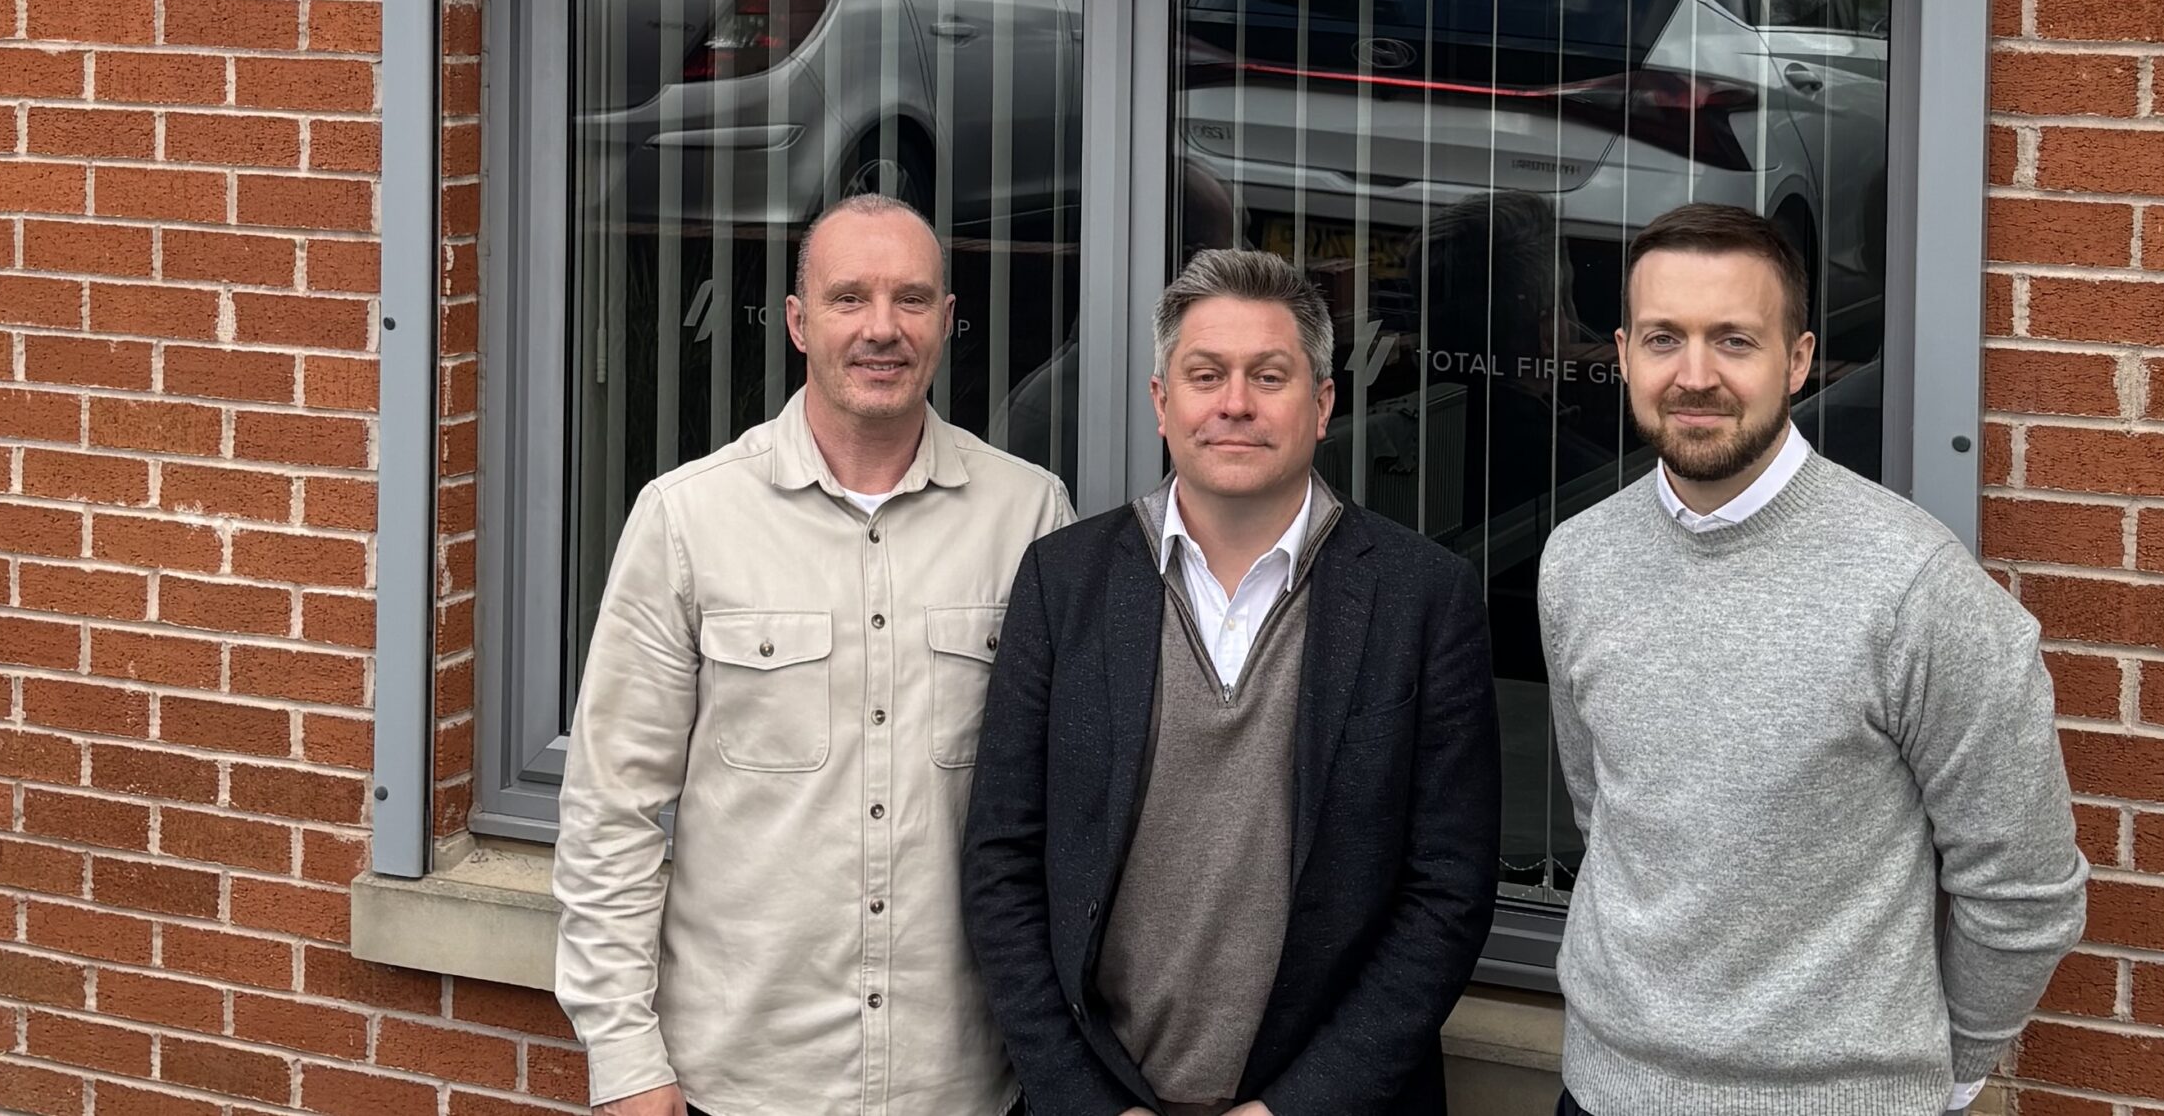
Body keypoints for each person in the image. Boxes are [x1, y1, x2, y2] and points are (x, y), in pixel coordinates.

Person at [1537, 204, 2087, 1116]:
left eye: (1735, 340)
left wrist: (1945, 1078)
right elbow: (1608, 817)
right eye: (1665, 338)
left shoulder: (1914, 590)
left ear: (1797, 361)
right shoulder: (1578, 561)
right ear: (1624, 354)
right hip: (1602, 1092)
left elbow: (2025, 890)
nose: (1695, 375)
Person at [554, 195, 1074, 1116]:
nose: (882, 328)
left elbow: (1069, 815)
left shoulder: (1029, 516)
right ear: (798, 322)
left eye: (912, 299)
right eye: (849, 298)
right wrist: (626, 1057)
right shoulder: (688, 519)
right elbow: (611, 809)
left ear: (948, 320)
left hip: (961, 1085)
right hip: (746, 1081)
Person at [962, 247, 1500, 1116]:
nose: (1236, 403)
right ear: (1161, 402)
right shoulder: (1064, 583)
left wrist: (1298, 1108)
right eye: (1206, 375)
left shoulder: (1423, 599)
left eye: (1269, 376)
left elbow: (1447, 890)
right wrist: (1088, 1103)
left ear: (1322, 404)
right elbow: (1002, 864)